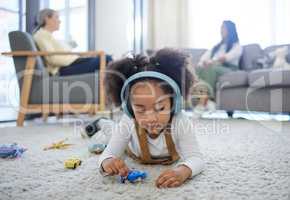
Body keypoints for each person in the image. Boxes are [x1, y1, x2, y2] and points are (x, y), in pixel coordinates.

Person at [96, 48, 205, 188]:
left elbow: (196, 158)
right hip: (131, 148)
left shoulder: (180, 121)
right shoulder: (128, 120)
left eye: (160, 108)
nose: (151, 118)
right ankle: (100, 122)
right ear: (129, 109)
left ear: (174, 104)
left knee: (113, 130)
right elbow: (108, 154)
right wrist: (108, 162)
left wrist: (183, 171)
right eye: (140, 110)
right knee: (111, 131)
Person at [33, 8, 112, 76]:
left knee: (105, 58)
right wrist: (75, 59)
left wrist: (81, 57)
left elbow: (62, 54)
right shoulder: (41, 35)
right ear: (47, 19)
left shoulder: (48, 36)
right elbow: (53, 59)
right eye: (56, 17)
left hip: (69, 65)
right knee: (106, 59)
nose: (59, 21)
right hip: (63, 69)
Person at [195, 20, 243, 112]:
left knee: (210, 69)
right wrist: (203, 63)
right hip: (213, 66)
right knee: (199, 69)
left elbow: (225, 58)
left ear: (230, 30)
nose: (221, 30)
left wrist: (212, 62)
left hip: (228, 68)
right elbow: (204, 58)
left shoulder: (236, 46)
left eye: (223, 28)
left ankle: (205, 101)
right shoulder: (216, 47)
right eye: (221, 28)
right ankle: (204, 100)